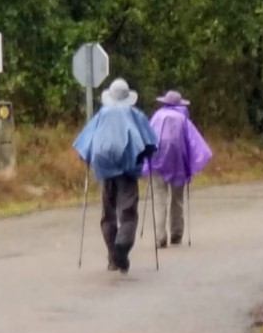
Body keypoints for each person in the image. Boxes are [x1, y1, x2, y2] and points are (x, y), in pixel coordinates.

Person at [73, 78, 157, 272]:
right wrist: (146, 156)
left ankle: (113, 256)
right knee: (128, 212)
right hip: (127, 168)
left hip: (104, 167)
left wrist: (87, 160)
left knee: (108, 212)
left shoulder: (101, 115)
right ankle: (122, 247)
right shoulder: (135, 114)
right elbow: (150, 142)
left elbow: (85, 142)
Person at [143, 90, 212, 248]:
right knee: (177, 198)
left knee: (159, 198)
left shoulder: (156, 117)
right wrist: (191, 162)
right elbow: (192, 143)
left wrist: (145, 160)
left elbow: (147, 138)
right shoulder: (183, 119)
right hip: (178, 163)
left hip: (156, 162)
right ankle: (176, 233)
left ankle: (160, 236)